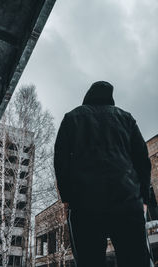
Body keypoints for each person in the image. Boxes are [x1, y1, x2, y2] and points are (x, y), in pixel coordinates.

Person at [54, 81, 151, 267]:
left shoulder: (72, 117)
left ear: (88, 96)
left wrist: (66, 199)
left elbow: (60, 161)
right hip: (127, 202)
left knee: (90, 261)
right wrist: (143, 199)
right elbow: (142, 162)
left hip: (85, 205)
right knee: (135, 260)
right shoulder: (126, 118)